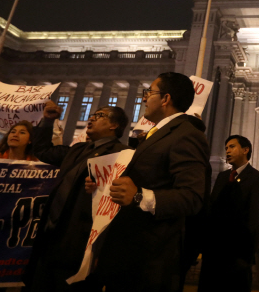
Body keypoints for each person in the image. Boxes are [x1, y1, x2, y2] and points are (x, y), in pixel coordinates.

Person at [85, 72, 210, 292]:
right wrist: (105, 186)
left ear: (165, 99)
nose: (144, 98)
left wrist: (139, 196)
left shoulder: (186, 134)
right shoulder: (155, 134)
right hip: (127, 254)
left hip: (148, 262)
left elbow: (192, 196)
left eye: (149, 92)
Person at [23, 102, 129, 292]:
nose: (92, 118)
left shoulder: (121, 154)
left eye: (100, 116)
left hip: (79, 243)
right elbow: (43, 151)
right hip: (51, 238)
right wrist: (48, 121)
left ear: (114, 125)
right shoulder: (77, 149)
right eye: (93, 115)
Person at [197, 135, 259, 292]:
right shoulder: (222, 177)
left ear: (245, 150)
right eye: (226, 148)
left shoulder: (258, 178)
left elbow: (254, 218)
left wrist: (247, 256)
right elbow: (212, 209)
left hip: (238, 256)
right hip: (213, 253)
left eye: (232, 147)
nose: (227, 151)